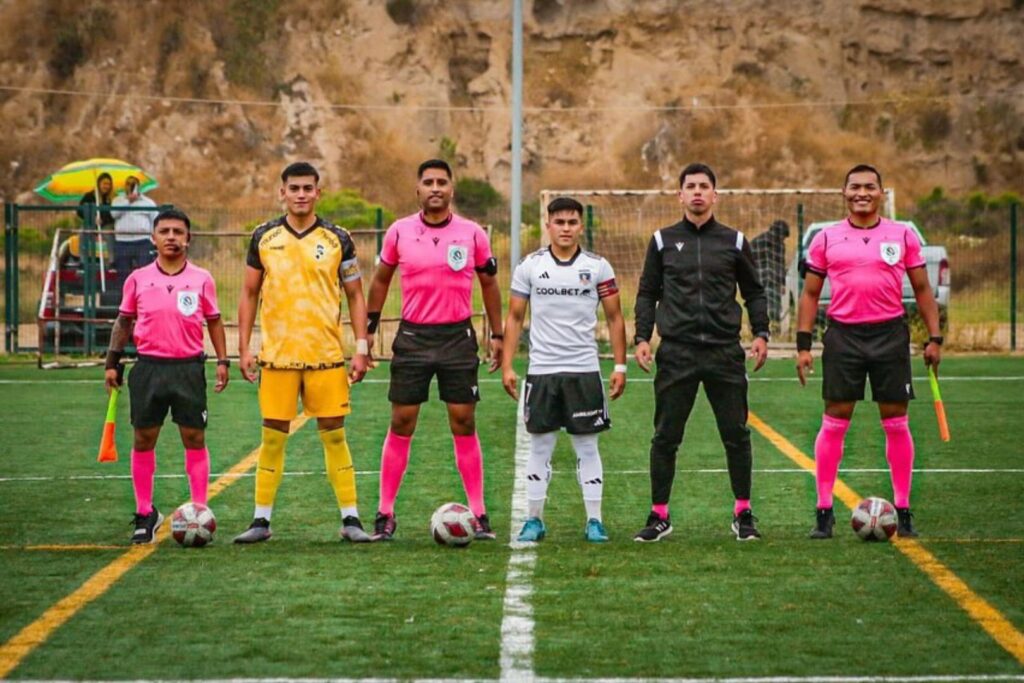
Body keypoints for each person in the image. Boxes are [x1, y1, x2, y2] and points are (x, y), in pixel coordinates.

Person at [796, 164, 942, 539]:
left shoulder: (902, 235)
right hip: (843, 336)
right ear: (844, 193)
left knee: (896, 421)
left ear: (881, 193)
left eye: (870, 187)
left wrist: (934, 338)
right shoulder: (826, 238)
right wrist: (803, 345)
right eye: (855, 187)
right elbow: (810, 294)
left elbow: (923, 290)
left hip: (890, 335)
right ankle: (824, 511)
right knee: (835, 419)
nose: (862, 192)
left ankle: (904, 508)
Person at [365, 158, 504, 541]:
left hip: (457, 338)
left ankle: (478, 513)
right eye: (428, 182)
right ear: (418, 190)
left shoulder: (472, 233)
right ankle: (385, 513)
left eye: (442, 181)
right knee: (402, 422)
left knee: (463, 421)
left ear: (452, 189)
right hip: (413, 339)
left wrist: (497, 334)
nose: (435, 188)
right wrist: (369, 327)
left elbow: (490, 284)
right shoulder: (399, 232)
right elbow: (379, 280)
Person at [234, 161, 372, 544]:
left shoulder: (337, 239)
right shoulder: (263, 237)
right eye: (293, 188)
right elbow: (248, 294)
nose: (300, 194)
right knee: (273, 437)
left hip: (326, 356)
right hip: (277, 357)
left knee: (334, 436)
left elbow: (356, 294)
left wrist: (361, 347)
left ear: (317, 193)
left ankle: (351, 519)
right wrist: (243, 348)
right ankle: (261, 521)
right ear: (282, 192)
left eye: (307, 188)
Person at [633, 163, 770, 543]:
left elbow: (754, 292)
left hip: (724, 353)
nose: (697, 192)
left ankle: (743, 512)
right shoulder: (661, 241)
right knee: (665, 436)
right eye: (690, 186)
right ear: (680, 195)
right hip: (676, 353)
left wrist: (761, 332)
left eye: (704, 186)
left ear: (715, 195)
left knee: (736, 434)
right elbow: (647, 293)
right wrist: (642, 337)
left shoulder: (735, 241)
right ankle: (659, 515)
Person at [501, 197, 627, 543]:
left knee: (587, 447)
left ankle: (595, 521)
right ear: (548, 224)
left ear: (581, 226)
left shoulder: (598, 266)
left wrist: (619, 365)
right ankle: (534, 520)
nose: (566, 228)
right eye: (560, 222)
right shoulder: (530, 266)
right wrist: (509, 364)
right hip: (542, 372)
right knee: (540, 447)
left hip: (584, 371)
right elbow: (514, 317)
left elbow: (616, 318)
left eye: (572, 222)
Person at [103, 208, 229, 544]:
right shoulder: (138, 279)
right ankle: (146, 512)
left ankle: (199, 508)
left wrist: (222, 360)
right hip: (148, 368)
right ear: (154, 238)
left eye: (178, 231)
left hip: (188, 368)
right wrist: (112, 361)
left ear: (189, 238)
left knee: (194, 437)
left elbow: (214, 321)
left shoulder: (203, 278)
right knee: (144, 439)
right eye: (165, 231)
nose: (171, 237)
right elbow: (124, 321)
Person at [110, 175, 159, 284]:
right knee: (123, 273)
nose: (131, 187)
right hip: (122, 242)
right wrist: (128, 201)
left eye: (133, 185)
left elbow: (155, 220)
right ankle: (126, 298)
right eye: (129, 184)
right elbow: (114, 214)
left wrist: (152, 238)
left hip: (142, 241)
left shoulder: (148, 202)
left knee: (144, 272)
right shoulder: (118, 201)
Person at [750, 219, 790, 329]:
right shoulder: (757, 243)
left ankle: (773, 329)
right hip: (761, 282)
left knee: (772, 309)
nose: (783, 240)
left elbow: (781, 264)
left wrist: (782, 283)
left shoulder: (758, 242)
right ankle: (763, 329)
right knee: (764, 309)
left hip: (770, 282)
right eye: (783, 237)